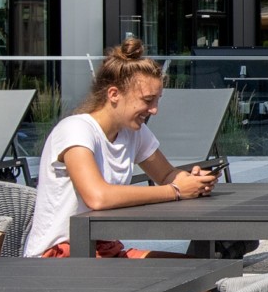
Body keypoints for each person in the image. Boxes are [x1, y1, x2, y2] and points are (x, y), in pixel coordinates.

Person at [20, 39, 221, 258]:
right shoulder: (76, 130)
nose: (154, 110)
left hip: (104, 250)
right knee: (185, 274)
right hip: (61, 256)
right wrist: (175, 191)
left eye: (157, 100)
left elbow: (166, 174)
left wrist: (193, 181)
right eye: (148, 100)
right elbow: (97, 197)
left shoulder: (133, 131)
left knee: (200, 270)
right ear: (114, 94)